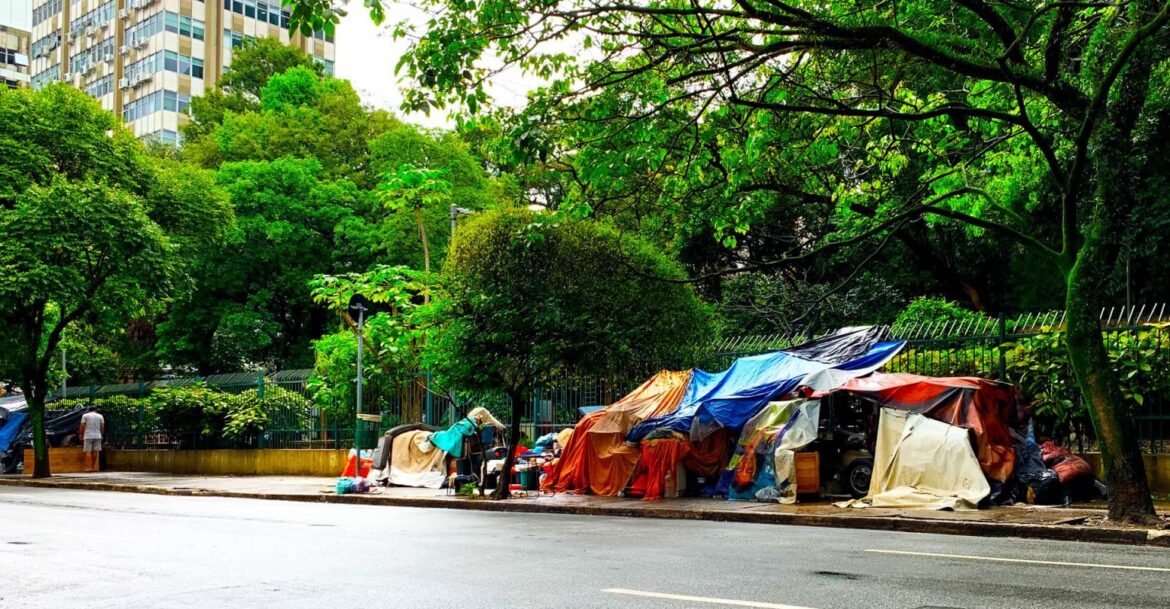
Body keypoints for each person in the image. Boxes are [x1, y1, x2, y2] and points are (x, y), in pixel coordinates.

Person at [78, 406, 105, 472]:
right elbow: (102, 427)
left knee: (88, 451)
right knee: (95, 452)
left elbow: (82, 425)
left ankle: (88, 467)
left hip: (88, 435)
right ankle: (93, 467)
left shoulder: (85, 416)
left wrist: (81, 434)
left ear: (88, 410)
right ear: (96, 410)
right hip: (97, 436)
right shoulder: (100, 416)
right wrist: (101, 434)